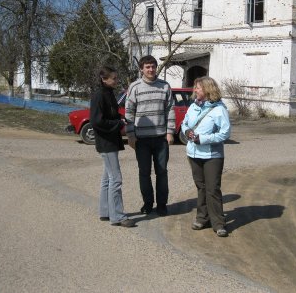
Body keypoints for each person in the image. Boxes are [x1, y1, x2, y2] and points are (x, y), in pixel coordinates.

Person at [125, 55, 175, 216]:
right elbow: (129, 112)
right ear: (141, 69)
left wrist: (170, 132)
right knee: (144, 173)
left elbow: (170, 110)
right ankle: (147, 203)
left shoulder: (165, 86)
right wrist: (131, 135)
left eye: (153, 66)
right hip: (142, 140)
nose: (151, 69)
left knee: (162, 172)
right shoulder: (134, 87)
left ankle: (162, 205)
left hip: (161, 138)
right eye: (147, 67)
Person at [181, 76, 231, 237]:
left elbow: (225, 133)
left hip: (212, 155)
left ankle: (219, 223)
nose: (195, 90)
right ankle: (202, 218)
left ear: (208, 90)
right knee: (201, 187)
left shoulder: (219, 109)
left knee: (212, 189)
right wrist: (187, 131)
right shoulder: (193, 106)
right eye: (195, 88)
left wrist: (203, 139)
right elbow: (185, 123)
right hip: (193, 153)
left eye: (198, 88)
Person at [90, 66, 135, 228]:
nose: (116, 81)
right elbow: (96, 121)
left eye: (116, 78)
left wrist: (120, 118)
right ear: (104, 79)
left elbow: (111, 114)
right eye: (114, 78)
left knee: (108, 178)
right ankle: (118, 216)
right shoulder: (99, 96)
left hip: (111, 141)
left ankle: (105, 212)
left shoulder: (109, 94)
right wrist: (117, 123)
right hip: (106, 142)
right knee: (116, 179)